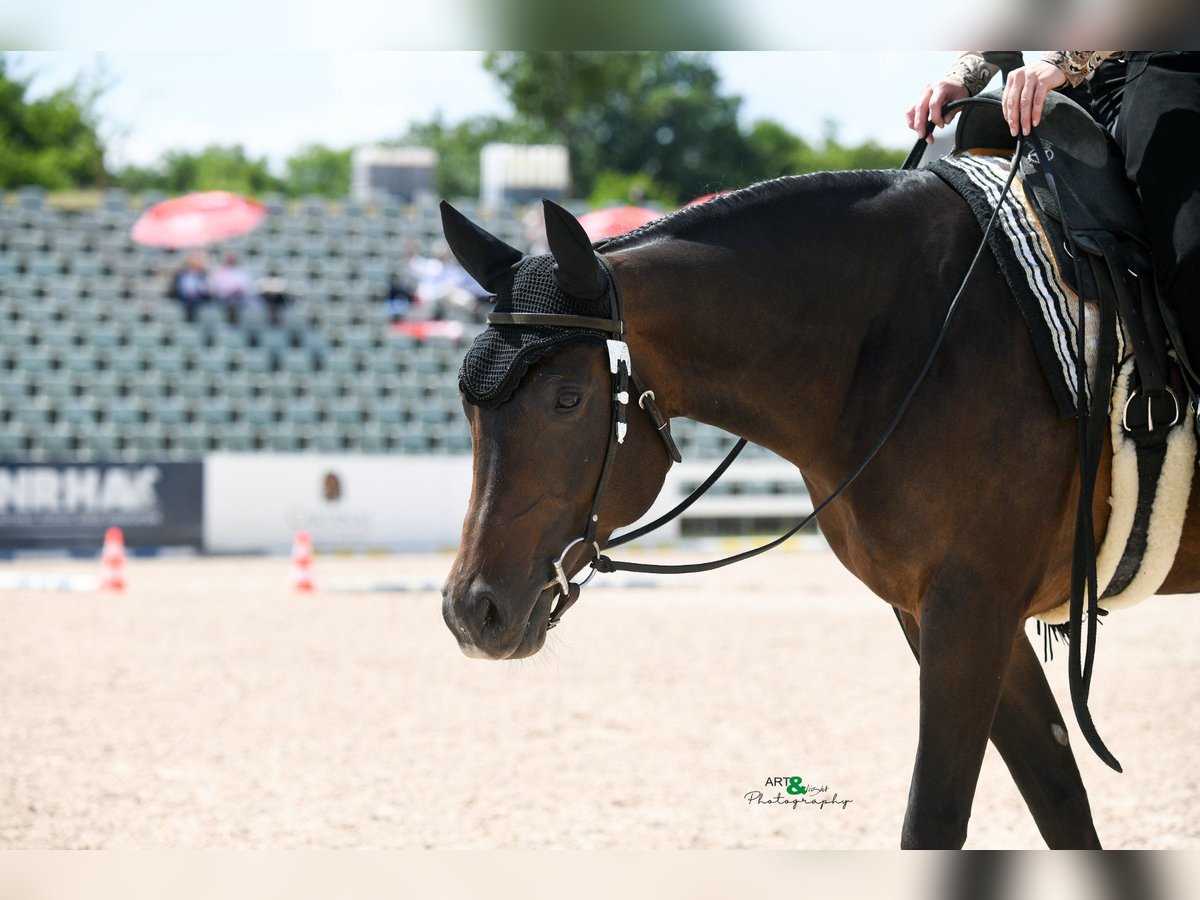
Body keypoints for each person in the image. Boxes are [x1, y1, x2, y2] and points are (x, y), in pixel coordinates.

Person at [907, 51, 1200, 378]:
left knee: (1189, 249)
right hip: (1081, 83)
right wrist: (964, 76)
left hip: (1171, 63)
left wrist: (1064, 61)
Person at [209, 250, 261, 324]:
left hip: (240, 298)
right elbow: (214, 288)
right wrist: (228, 291)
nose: (231, 260)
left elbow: (249, 287)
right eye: (229, 258)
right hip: (223, 298)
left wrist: (238, 290)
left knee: (255, 303)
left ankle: (251, 323)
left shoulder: (242, 272)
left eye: (232, 258)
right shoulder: (218, 272)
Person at [169, 250, 211, 323]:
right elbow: (175, 288)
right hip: (183, 298)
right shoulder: (181, 274)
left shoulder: (203, 275)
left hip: (199, 299)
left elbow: (206, 289)